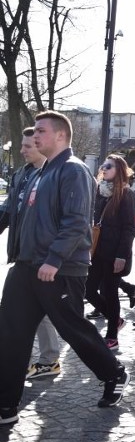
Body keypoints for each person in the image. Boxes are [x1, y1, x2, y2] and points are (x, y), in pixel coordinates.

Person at [0, 111, 129, 427]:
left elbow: (75, 223)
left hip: (59, 270)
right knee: (10, 334)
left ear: (60, 136)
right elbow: (18, 216)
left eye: (41, 131)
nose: (35, 136)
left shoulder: (74, 171)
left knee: (73, 328)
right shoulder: (39, 173)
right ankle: (5, 405)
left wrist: (53, 260)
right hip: (27, 266)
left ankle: (114, 373)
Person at [0, 127, 61, 380]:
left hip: (42, 257)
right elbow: (8, 208)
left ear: (41, 146)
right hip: (23, 254)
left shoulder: (52, 176)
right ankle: (45, 359)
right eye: (22, 145)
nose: (22, 150)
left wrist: (54, 258)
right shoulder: (21, 174)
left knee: (46, 311)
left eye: (28, 146)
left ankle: (46, 360)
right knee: (33, 309)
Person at [86, 155, 135, 352]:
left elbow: (129, 228)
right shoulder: (100, 191)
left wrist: (122, 256)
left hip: (115, 252)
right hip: (98, 250)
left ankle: (112, 336)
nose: (104, 169)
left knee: (110, 293)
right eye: (103, 166)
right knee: (89, 291)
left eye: (109, 166)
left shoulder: (125, 194)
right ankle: (116, 320)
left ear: (119, 170)